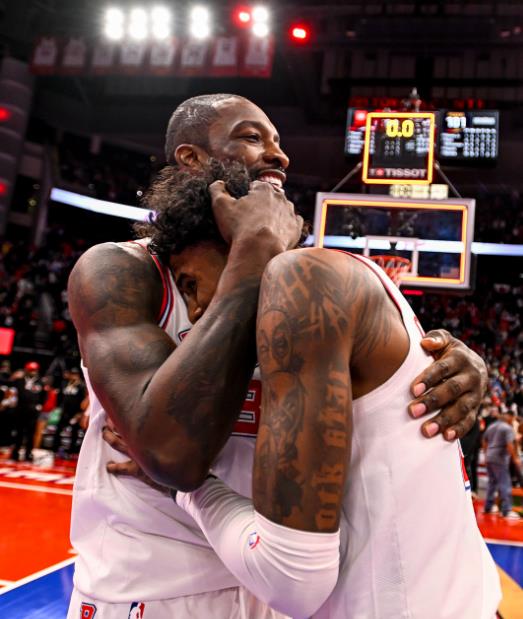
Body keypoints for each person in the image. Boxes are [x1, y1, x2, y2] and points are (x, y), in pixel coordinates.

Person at [67, 94, 489, 618]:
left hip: (273, 570)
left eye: (279, 141)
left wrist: (447, 359)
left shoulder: (297, 285)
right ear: (192, 158)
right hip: (151, 587)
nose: (279, 155)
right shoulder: (120, 272)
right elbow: (171, 455)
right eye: (252, 137)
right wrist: (255, 254)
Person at [483, 409, 522, 519]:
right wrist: (515, 458)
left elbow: (484, 440)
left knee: (492, 483)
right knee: (505, 483)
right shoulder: (507, 428)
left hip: (490, 457)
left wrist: (486, 454)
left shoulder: (491, 426)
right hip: (500, 458)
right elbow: (509, 444)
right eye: (512, 418)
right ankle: (506, 511)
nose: (512, 420)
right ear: (510, 417)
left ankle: (488, 507)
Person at [9, 361, 46, 462]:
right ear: (26, 370)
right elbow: (12, 391)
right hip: (20, 409)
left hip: (33, 411)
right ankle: (15, 452)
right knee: (19, 432)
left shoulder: (40, 382)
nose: (32, 372)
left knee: (31, 433)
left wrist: (39, 406)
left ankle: (28, 453)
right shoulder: (19, 380)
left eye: (34, 370)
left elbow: (44, 396)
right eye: (31, 370)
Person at [52, 367, 86, 457]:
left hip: (75, 413)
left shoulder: (81, 386)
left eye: (75, 374)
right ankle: (55, 449)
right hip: (65, 412)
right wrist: (59, 408)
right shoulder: (65, 384)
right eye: (72, 374)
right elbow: (60, 397)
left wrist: (79, 413)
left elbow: (83, 400)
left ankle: (71, 452)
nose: (73, 376)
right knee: (58, 430)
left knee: (74, 432)